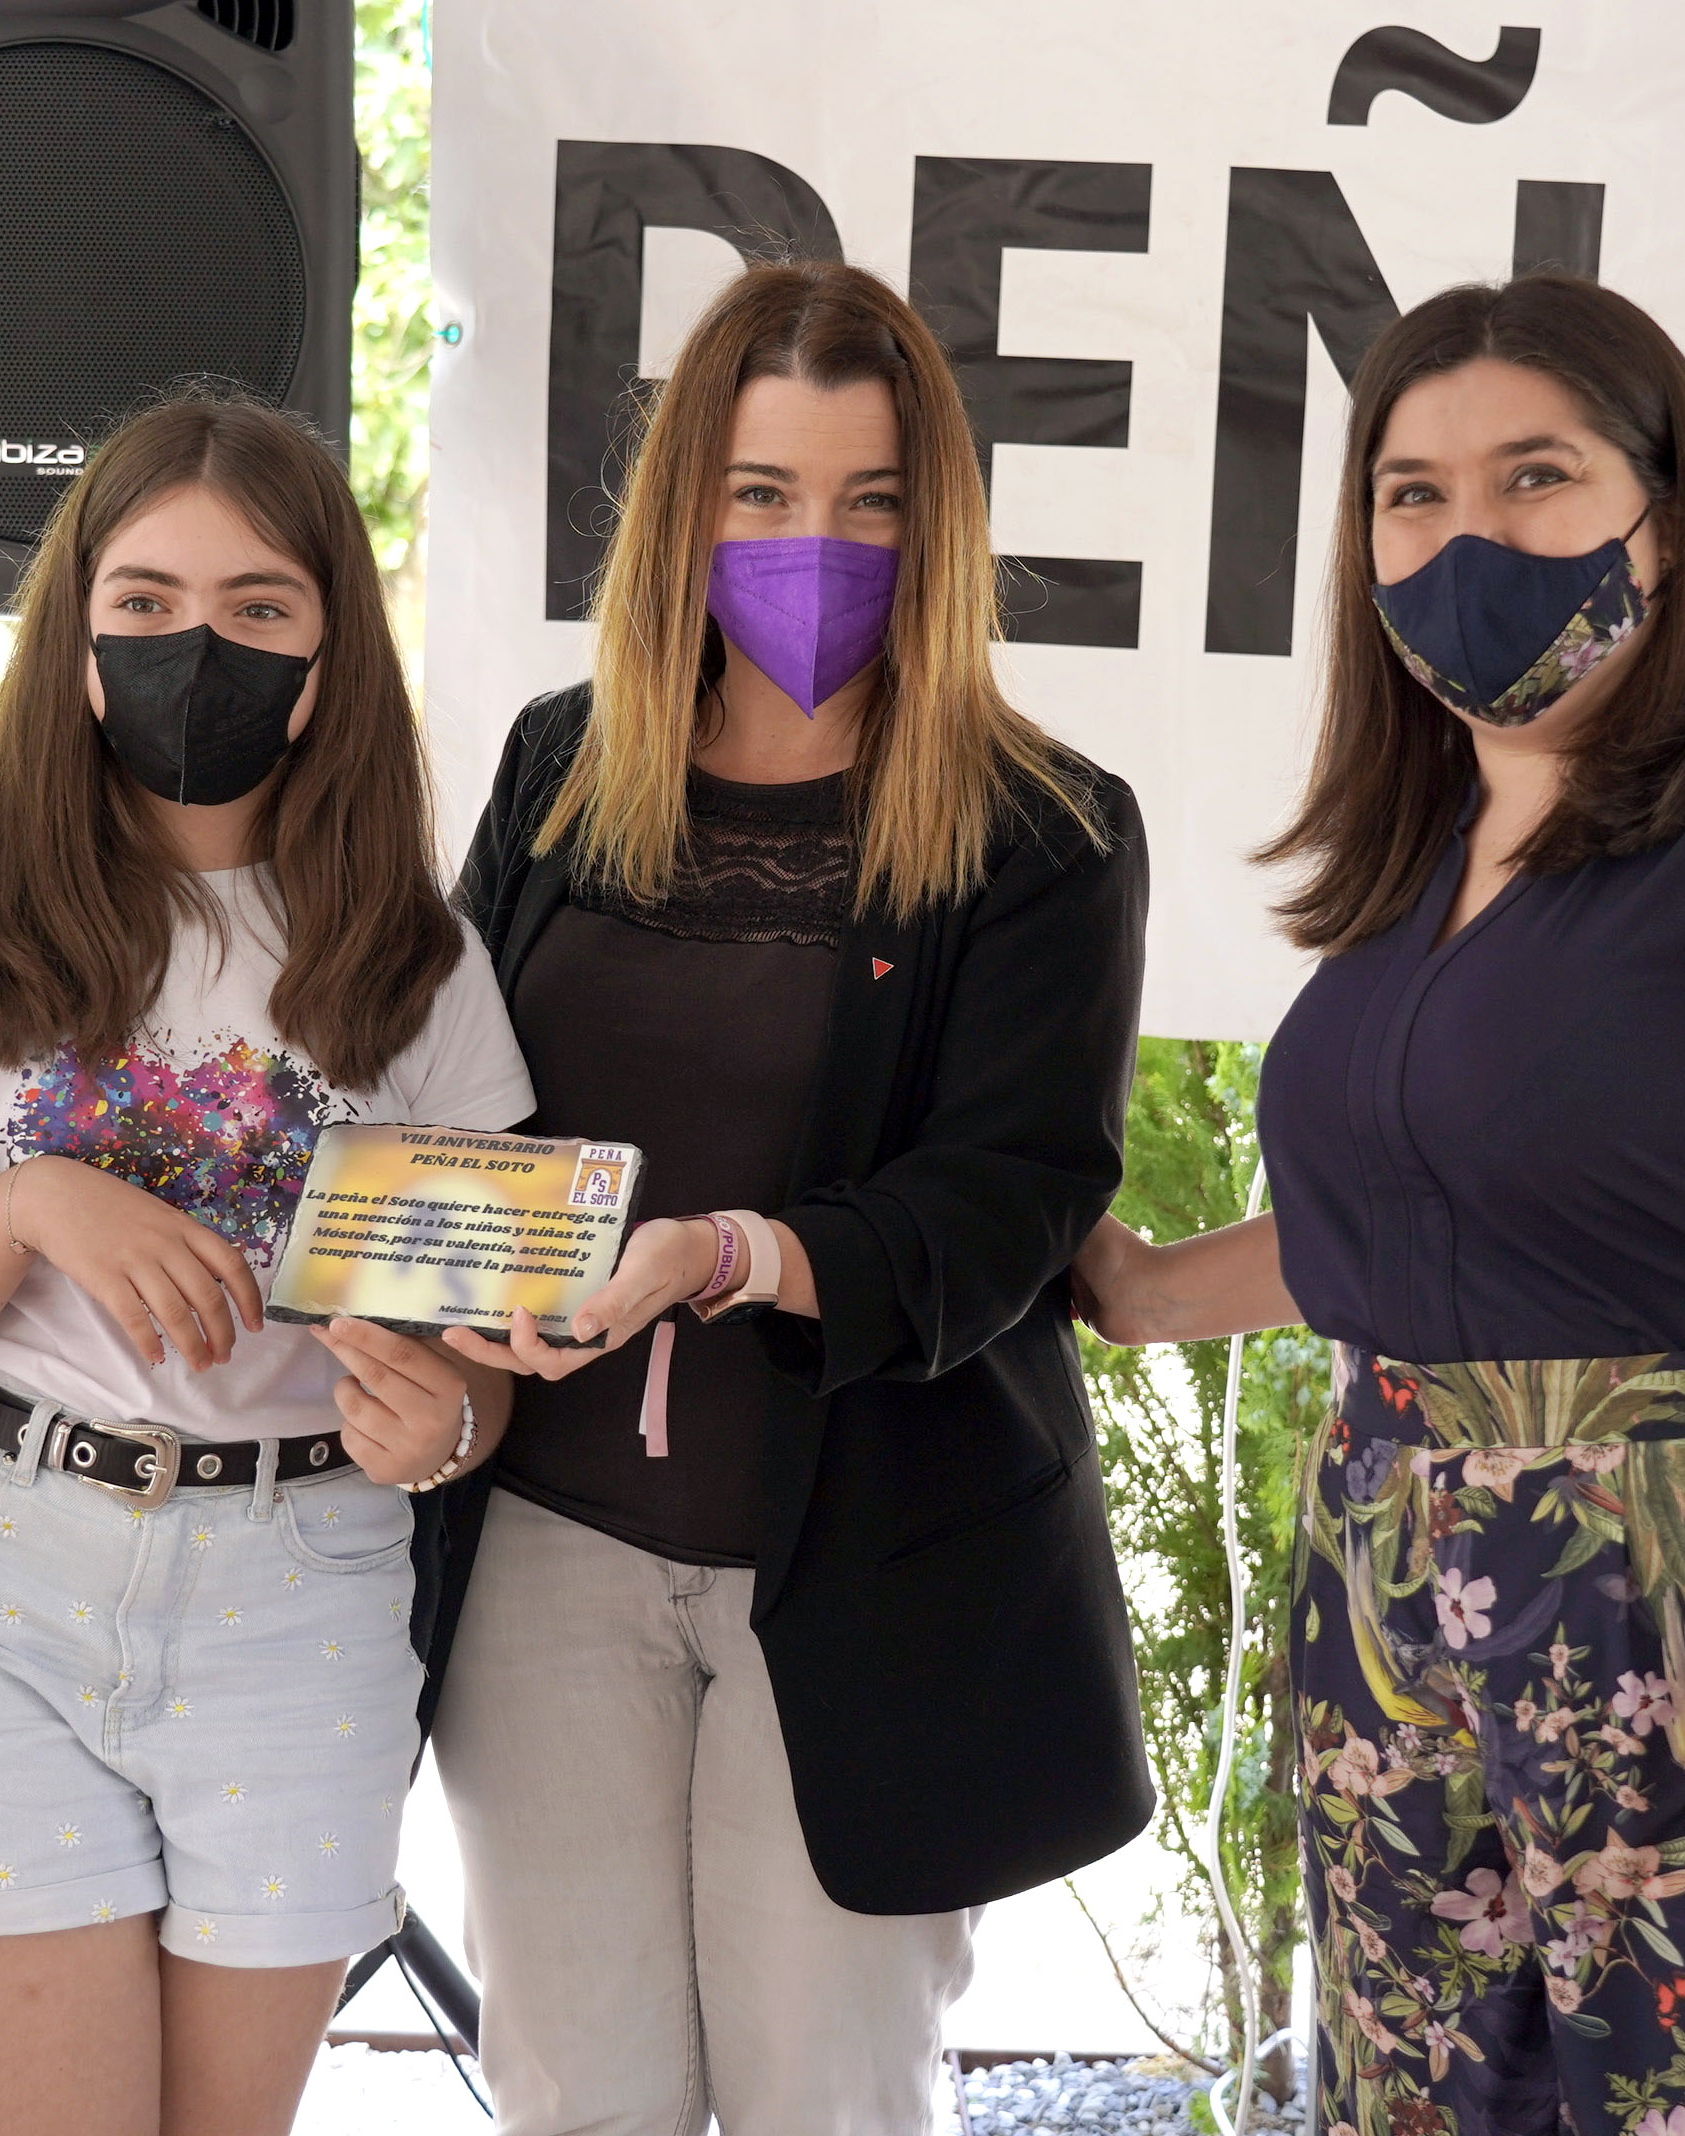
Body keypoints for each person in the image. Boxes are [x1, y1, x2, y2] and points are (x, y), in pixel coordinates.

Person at [1073, 273, 1685, 2135]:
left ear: (1665, 518)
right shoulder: (1430, 844)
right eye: (1415, 493)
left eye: (1537, 476)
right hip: (1408, 1661)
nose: (1472, 539)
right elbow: (1443, 1227)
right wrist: (1142, 1290)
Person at [431, 259, 1154, 2134]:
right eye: (761, 493)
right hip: (550, 1544)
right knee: (577, 2097)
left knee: (823, 2096)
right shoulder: (561, 762)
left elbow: (1010, 1199)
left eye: (869, 502)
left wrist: (736, 1255)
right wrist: (427, 1279)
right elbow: (454, 1094)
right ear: (686, 503)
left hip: (869, 1568)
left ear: (942, 528)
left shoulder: (1045, 831)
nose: (811, 545)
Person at [0, 390, 532, 2136]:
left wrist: (442, 1423)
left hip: (306, 1596)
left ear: (330, 661)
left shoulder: (422, 965)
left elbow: (479, 1380)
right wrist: (27, 1205)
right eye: (146, 601)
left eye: (258, 607)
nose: (199, 646)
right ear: (77, 638)